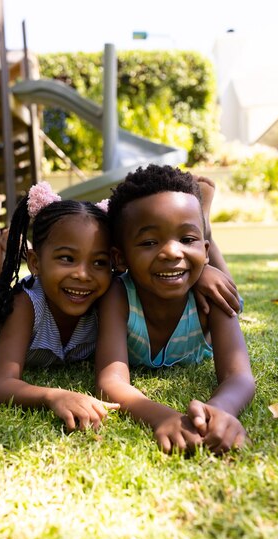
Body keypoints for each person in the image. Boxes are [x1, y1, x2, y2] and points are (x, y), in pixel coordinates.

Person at [95, 164, 256, 455]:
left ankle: (205, 227)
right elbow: (111, 381)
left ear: (203, 251)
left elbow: (240, 376)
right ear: (120, 258)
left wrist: (218, 410)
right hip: (192, 270)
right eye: (149, 242)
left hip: (205, 282)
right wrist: (164, 416)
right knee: (207, 276)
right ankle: (201, 225)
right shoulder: (118, 295)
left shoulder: (211, 304)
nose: (171, 251)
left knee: (225, 288)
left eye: (187, 239)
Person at [0, 182, 119, 432]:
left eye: (99, 262)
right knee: (1, 293)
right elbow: (1, 383)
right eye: (67, 258)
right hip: (24, 299)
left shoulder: (107, 302)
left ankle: (20, 245)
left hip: (45, 277)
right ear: (34, 263)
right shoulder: (25, 305)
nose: (83, 275)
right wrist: (53, 396)